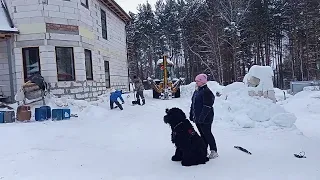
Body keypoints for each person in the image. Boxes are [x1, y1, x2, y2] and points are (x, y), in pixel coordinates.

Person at [189, 73, 218, 159]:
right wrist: (192, 114)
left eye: (198, 81)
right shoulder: (197, 91)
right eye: (196, 81)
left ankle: (214, 150)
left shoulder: (207, 92)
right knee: (202, 134)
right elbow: (193, 103)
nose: (196, 82)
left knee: (207, 133)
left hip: (206, 118)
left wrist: (202, 117)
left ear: (203, 82)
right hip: (198, 118)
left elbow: (207, 106)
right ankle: (204, 150)